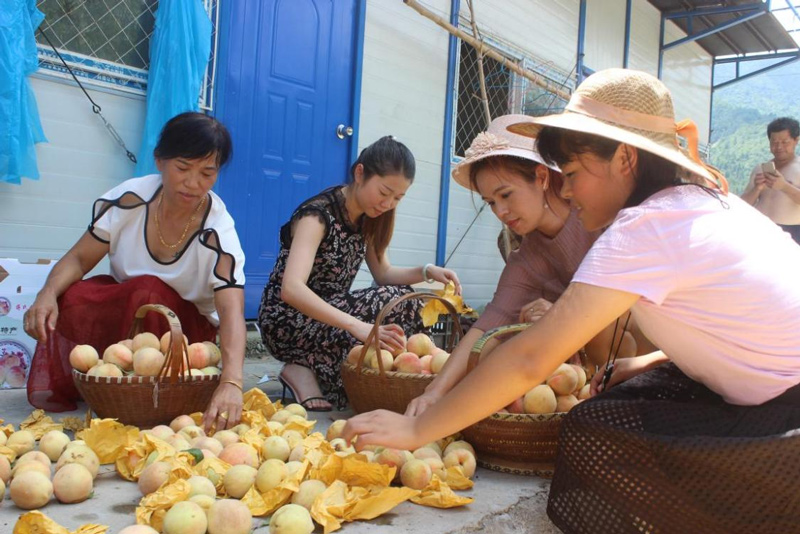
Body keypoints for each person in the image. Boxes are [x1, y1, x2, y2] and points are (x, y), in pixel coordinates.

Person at [344, 69, 800, 533]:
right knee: (611, 400)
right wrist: (655, 362)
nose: (565, 188)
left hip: (786, 414)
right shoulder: (705, 203)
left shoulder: (644, 227)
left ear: (624, 158)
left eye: (574, 174)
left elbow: (533, 358)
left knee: (593, 436)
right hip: (776, 383)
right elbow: (738, 324)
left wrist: (419, 430)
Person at [24, 112, 246, 431]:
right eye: (182, 168)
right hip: (127, 325)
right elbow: (78, 260)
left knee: (148, 289)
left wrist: (232, 383)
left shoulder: (218, 232)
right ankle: (108, 383)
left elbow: (231, 311)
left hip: (182, 338)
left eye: (207, 174)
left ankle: (157, 396)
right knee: (73, 294)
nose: (193, 183)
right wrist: (46, 294)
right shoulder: (128, 201)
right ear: (159, 161)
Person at [406, 114, 624, 417]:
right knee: (495, 346)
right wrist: (433, 394)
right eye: (491, 202)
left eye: (506, 194)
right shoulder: (527, 259)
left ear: (542, 177)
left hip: (633, 353)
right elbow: (486, 325)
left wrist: (563, 317)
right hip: (567, 384)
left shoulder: (598, 216)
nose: (501, 211)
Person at [258, 136, 460, 411]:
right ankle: (302, 366)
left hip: (331, 317)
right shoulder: (317, 216)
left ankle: (329, 371)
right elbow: (291, 289)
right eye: (384, 192)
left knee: (406, 301)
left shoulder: (371, 217)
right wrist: (358, 326)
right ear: (360, 173)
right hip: (288, 321)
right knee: (384, 302)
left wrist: (427, 271)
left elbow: (384, 273)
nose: (388, 203)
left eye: (397, 198)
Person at [741, 117, 800, 243]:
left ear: (796, 140)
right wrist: (757, 189)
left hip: (790, 231)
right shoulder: (760, 169)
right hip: (758, 228)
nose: (778, 147)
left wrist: (784, 187)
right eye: (774, 142)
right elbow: (743, 204)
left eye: (785, 142)